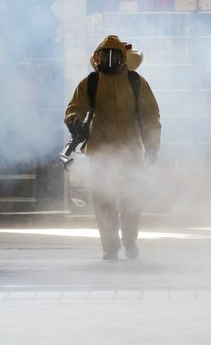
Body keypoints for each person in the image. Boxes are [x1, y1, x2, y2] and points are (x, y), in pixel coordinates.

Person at [65, 35, 161, 260]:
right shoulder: (91, 82)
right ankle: (110, 246)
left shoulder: (136, 82)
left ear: (123, 57)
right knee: (103, 200)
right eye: (105, 55)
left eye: (114, 54)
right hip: (100, 150)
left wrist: (152, 145)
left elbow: (150, 116)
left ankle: (129, 242)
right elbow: (75, 107)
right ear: (97, 57)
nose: (109, 59)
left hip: (130, 150)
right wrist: (74, 121)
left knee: (131, 199)